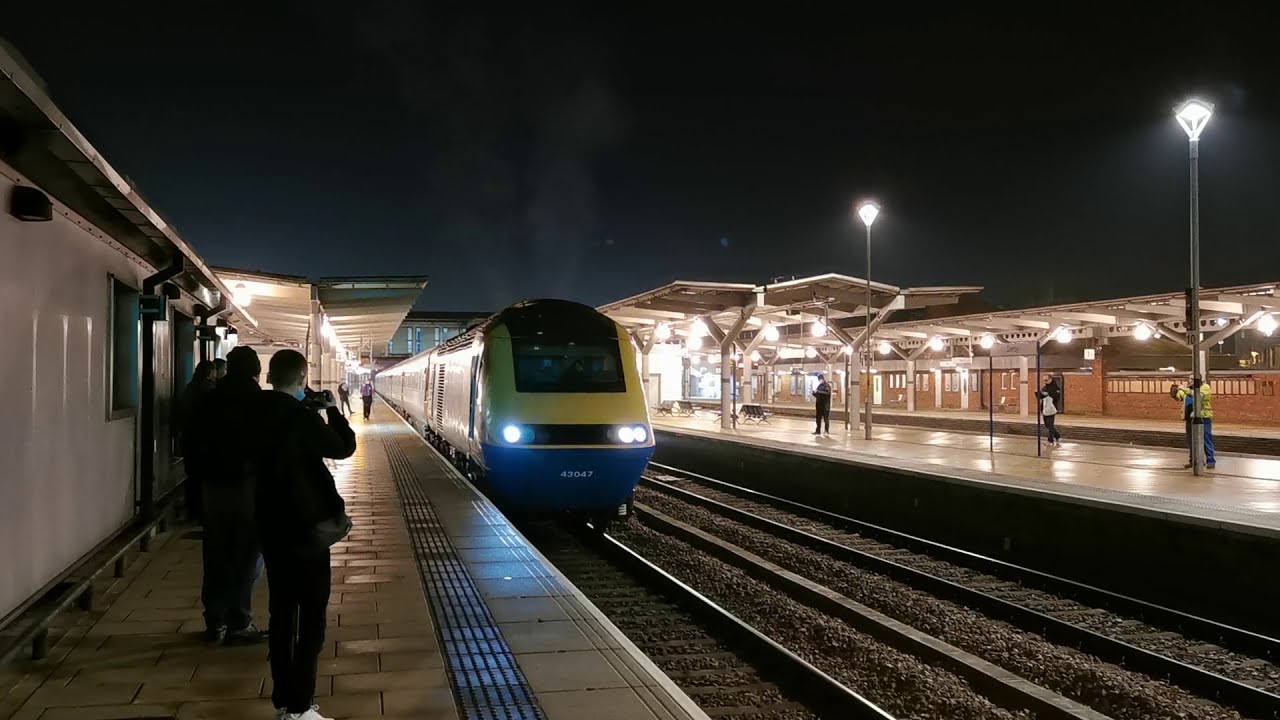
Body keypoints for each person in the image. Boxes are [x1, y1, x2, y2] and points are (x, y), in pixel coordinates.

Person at [252, 349, 356, 720]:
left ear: (270, 375)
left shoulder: (253, 413)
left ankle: (283, 701)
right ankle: (301, 707)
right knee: (311, 618)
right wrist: (332, 411)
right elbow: (343, 448)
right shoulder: (300, 417)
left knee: (281, 615)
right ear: (301, 378)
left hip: (269, 525)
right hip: (306, 528)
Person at [186, 346, 267, 645]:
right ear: (256, 371)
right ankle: (239, 621)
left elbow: (190, 442)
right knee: (246, 554)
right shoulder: (259, 401)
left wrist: (197, 483)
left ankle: (214, 619)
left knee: (216, 552)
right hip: (248, 487)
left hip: (212, 488)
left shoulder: (208, 400)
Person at [179, 361, 218, 522]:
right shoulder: (208, 390)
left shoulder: (191, 387)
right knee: (201, 477)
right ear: (211, 373)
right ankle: (199, 511)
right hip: (202, 441)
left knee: (192, 476)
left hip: (189, 438)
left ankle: (192, 509)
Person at [1175, 376, 1215, 469]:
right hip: (1190, 418)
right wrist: (1175, 392)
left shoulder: (1205, 387)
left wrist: (1183, 389)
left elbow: (1198, 395)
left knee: (1206, 439)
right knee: (1191, 441)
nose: (1189, 381)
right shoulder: (1188, 389)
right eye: (1189, 379)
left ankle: (1210, 460)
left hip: (1203, 417)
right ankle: (1194, 460)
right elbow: (1179, 396)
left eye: (1192, 379)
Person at [1036, 376, 1063, 447]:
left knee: (1050, 425)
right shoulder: (1045, 387)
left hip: (1051, 408)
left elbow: (1057, 396)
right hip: (1044, 408)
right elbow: (1040, 397)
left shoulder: (1055, 387)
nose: (1045, 381)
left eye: (1046, 380)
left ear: (1051, 379)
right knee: (1047, 425)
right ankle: (1057, 436)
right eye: (1044, 380)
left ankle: (1050, 441)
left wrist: (1048, 394)